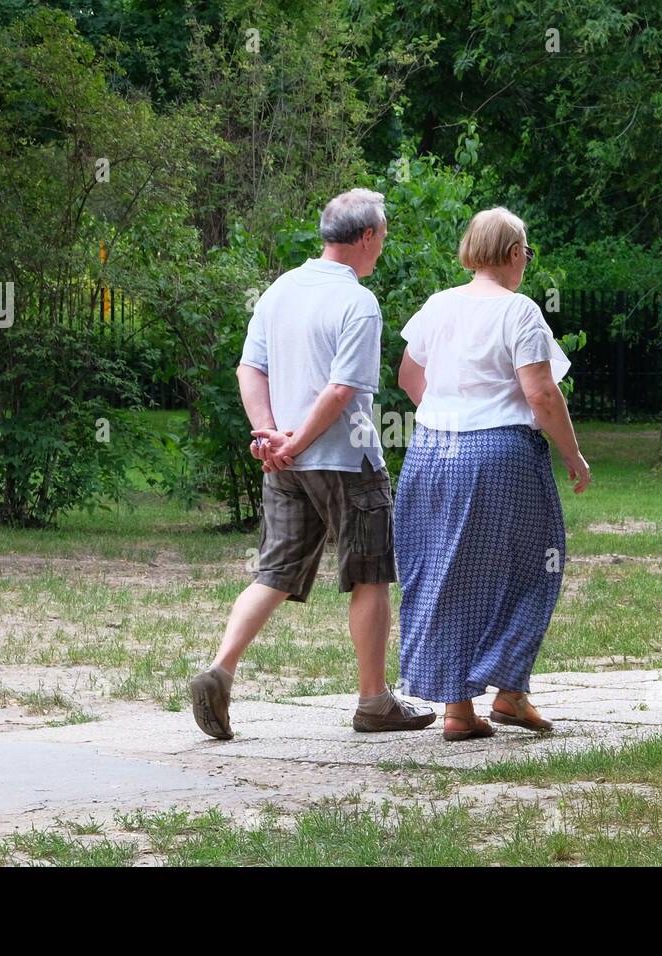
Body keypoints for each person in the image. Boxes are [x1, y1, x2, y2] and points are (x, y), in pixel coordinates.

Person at [188, 188, 436, 740]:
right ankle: (374, 701)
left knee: (273, 573)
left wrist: (270, 436)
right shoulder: (358, 302)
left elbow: (249, 370)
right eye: (383, 237)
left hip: (284, 462)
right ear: (367, 237)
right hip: (347, 461)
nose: (383, 248)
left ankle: (221, 669)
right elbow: (345, 388)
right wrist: (296, 440)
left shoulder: (279, 290)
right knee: (370, 575)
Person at [394, 207, 591, 741]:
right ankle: (509, 691)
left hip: (430, 453)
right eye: (526, 251)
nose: (526, 261)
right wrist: (573, 455)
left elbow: (410, 375)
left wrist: (447, 414)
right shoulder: (520, 311)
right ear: (511, 254)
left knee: (442, 570)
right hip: (500, 454)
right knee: (536, 565)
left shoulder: (438, 305)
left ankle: (459, 711)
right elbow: (542, 395)